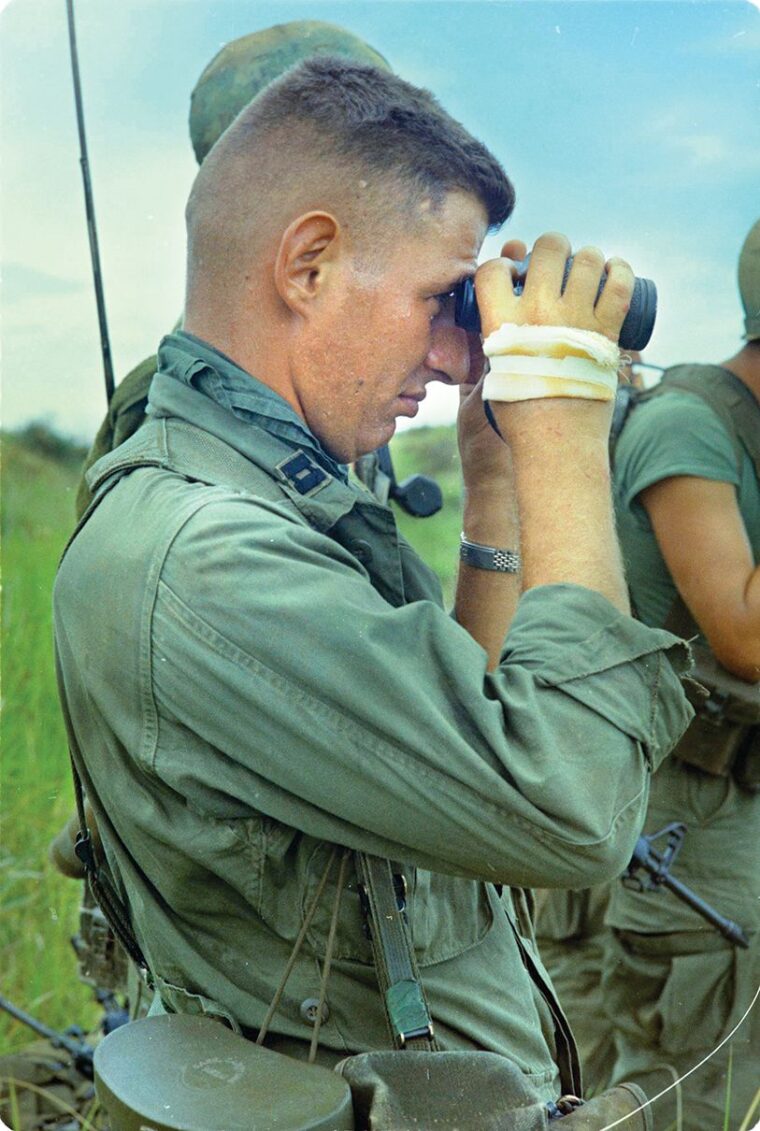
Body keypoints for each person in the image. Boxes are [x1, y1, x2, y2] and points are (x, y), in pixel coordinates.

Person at [53, 57, 692, 1109]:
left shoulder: (286, 499)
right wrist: (568, 427)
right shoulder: (211, 560)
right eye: (445, 297)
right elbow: (572, 808)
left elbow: (474, 750)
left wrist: (494, 492)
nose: (456, 358)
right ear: (307, 265)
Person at [601, 217, 760, 1129]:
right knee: (691, 1093)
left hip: (731, 806)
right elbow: (742, 631)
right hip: (677, 811)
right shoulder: (686, 425)